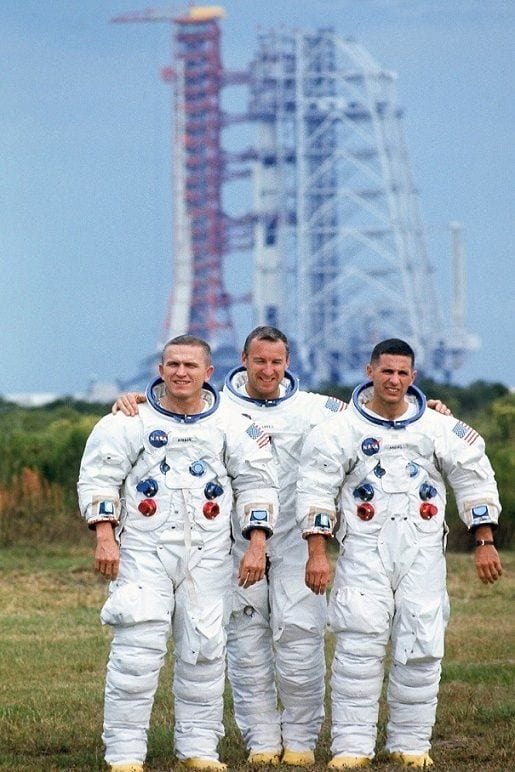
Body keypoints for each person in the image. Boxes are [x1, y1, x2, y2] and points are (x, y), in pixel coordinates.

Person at [113, 327, 451, 768]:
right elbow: (174, 407)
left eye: (276, 362)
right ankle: (261, 740)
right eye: (260, 361)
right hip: (231, 543)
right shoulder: (220, 407)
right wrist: (133, 401)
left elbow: (380, 415)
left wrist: (435, 413)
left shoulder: (317, 409)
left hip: (295, 541)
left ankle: (301, 739)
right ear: (244, 361)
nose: (268, 370)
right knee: (244, 645)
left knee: (300, 640)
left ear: (287, 362)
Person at [296, 338, 502, 770]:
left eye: (402, 373)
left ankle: (411, 743)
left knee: (423, 641)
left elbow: (474, 479)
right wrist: (318, 553)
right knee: (358, 641)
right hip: (364, 550)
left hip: (422, 550)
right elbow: (316, 490)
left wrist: (484, 542)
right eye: (386, 371)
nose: (393, 380)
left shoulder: (438, 427)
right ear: (370, 371)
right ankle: (351, 746)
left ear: (413, 378)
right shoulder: (341, 430)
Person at [77, 335, 279, 772]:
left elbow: (258, 485)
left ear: (209, 373)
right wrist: (105, 536)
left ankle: (199, 750)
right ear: (161, 369)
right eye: (172, 364)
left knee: (204, 651)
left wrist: (256, 545)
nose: (180, 372)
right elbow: (99, 479)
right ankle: (125, 754)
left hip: (208, 554)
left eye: (190, 365)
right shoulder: (128, 420)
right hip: (143, 551)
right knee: (137, 650)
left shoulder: (235, 422)